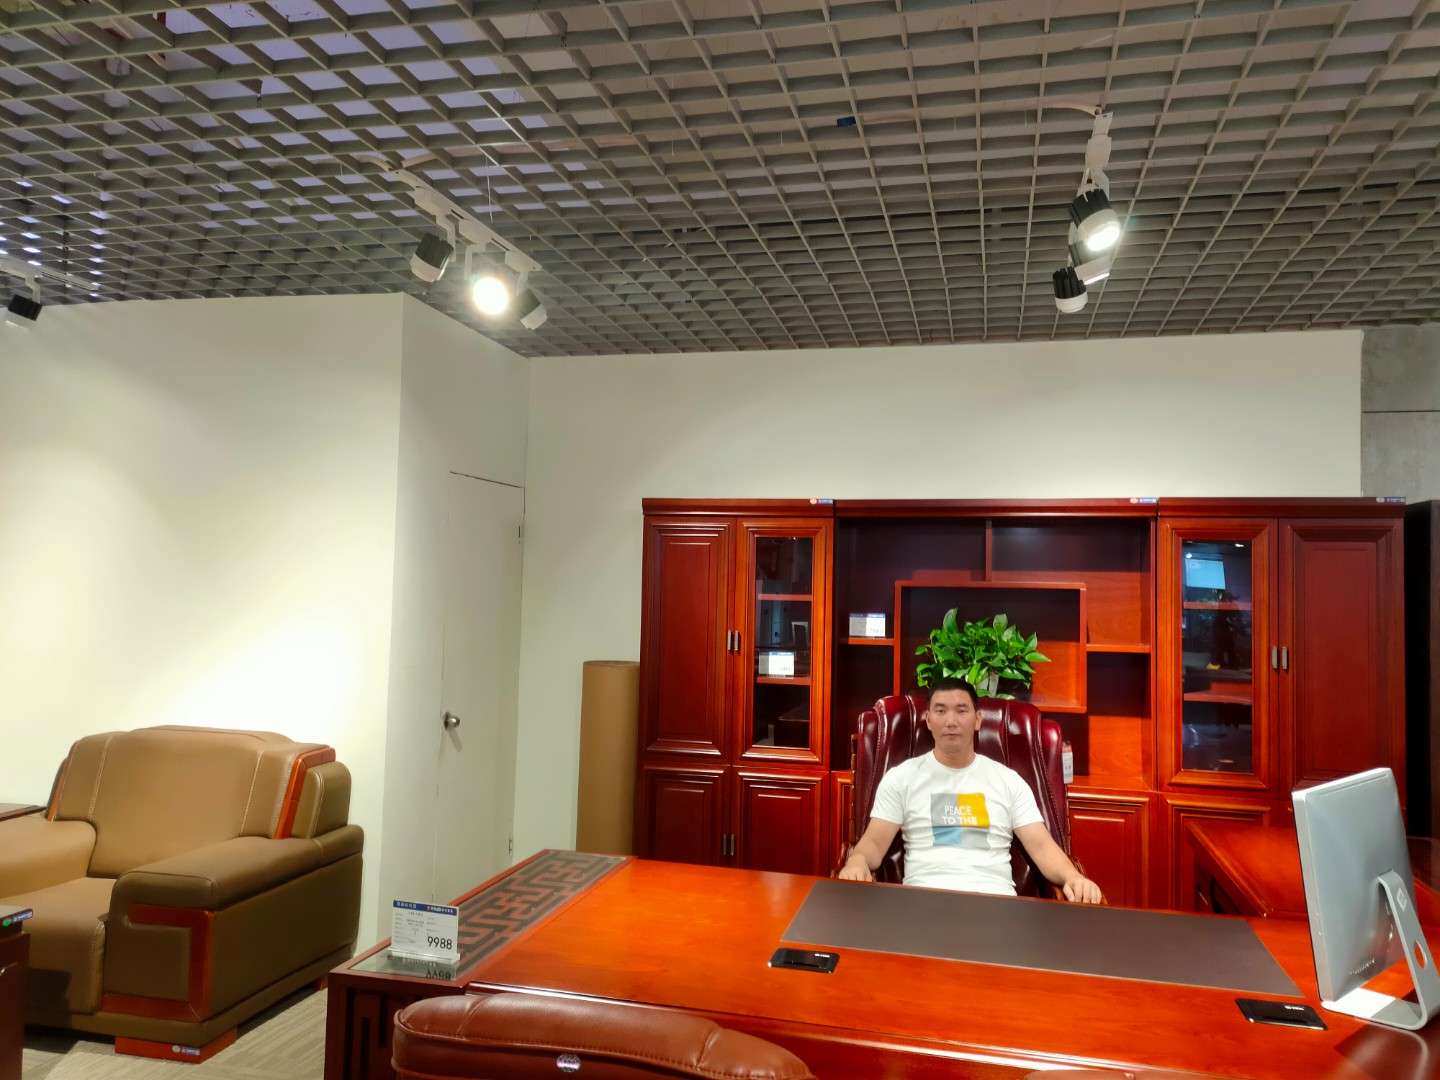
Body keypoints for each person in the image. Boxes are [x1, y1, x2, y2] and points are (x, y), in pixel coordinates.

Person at [839, 676, 1103, 904]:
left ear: (978, 720)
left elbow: (1042, 847)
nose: (951, 721)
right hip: (923, 903)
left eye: (961, 710)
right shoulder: (902, 778)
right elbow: (873, 843)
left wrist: (1073, 877)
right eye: (940, 711)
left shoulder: (1008, 781)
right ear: (928, 720)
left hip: (995, 904)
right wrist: (857, 861)